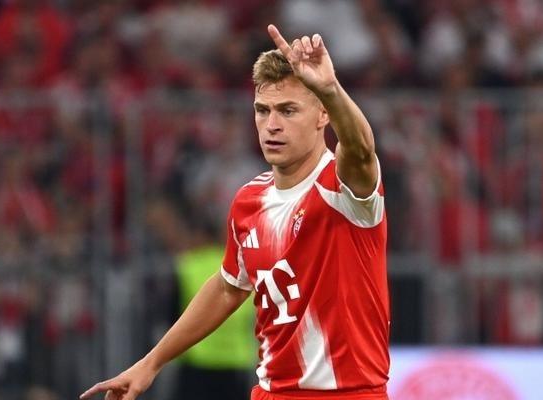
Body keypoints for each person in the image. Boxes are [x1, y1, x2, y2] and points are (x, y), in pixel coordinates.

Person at [80, 24, 390, 400]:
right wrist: (150, 363)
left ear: (323, 114)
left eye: (288, 110)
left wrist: (330, 89)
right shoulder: (249, 200)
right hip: (272, 393)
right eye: (263, 111)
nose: (272, 125)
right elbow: (229, 287)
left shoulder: (342, 186)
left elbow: (360, 149)